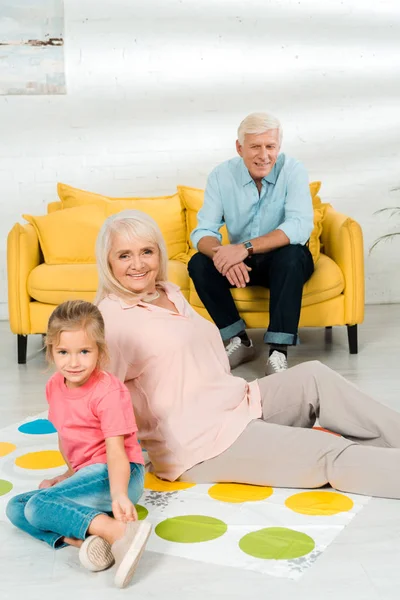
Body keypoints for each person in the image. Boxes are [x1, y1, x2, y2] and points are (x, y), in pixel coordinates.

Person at [95, 210, 400, 500]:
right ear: (107, 263)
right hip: (203, 444)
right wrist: (82, 470)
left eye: (146, 251)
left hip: (238, 402)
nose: (138, 264)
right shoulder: (111, 321)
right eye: (124, 255)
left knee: (315, 376)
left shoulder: (167, 291)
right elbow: (94, 404)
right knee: (327, 451)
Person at [6, 300, 151, 589]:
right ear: (51, 351)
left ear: (100, 350)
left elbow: (116, 450)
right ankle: (85, 539)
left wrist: (120, 494)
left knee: (38, 507)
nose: (73, 362)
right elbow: (67, 435)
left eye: (84, 352)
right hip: (87, 475)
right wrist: (69, 476)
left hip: (118, 473)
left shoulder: (108, 392)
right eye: (63, 352)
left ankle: (120, 532)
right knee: (15, 508)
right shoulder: (54, 387)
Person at [188, 111, 315, 375]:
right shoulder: (221, 176)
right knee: (199, 263)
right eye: (255, 146)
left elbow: (299, 226)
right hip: (242, 264)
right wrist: (223, 257)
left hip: (284, 262)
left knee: (291, 255)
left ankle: (278, 351)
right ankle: (239, 339)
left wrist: (243, 248)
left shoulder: (293, 170)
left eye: (270, 146)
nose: (264, 155)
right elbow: (203, 231)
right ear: (239, 148)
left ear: (278, 147)